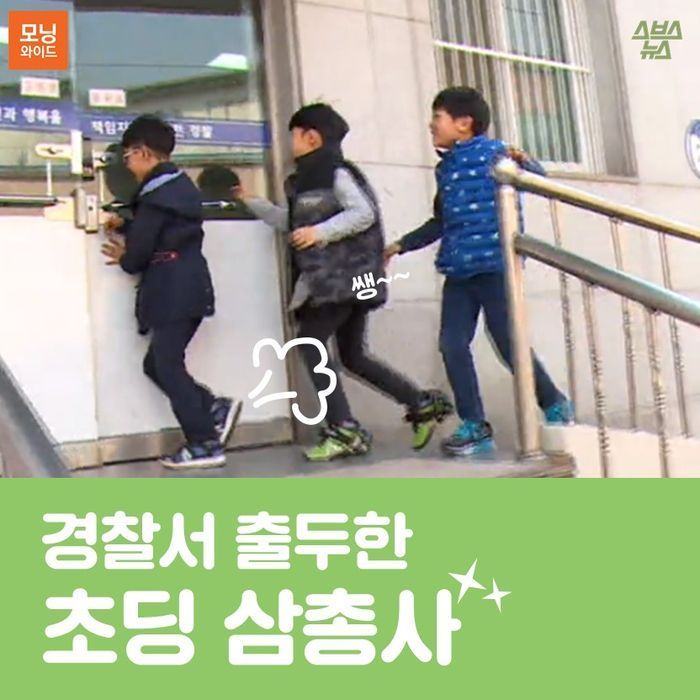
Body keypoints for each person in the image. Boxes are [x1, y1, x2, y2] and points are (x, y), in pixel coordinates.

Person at [237, 103, 452, 462]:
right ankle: (420, 403)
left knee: (310, 343)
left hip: (340, 280)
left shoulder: (335, 173)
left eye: (293, 136)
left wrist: (319, 233)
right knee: (352, 355)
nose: (289, 144)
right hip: (342, 281)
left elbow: (363, 213)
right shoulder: (307, 180)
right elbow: (292, 222)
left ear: (311, 137)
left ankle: (344, 429)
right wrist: (251, 203)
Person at [385, 87, 573, 457]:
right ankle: (475, 425)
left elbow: (540, 180)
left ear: (464, 123)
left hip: (495, 268)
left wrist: (524, 160)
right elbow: (441, 222)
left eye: (437, 117)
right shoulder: (445, 169)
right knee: (451, 344)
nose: (431, 125)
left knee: (508, 343)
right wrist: (400, 245)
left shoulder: (496, 154)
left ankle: (554, 402)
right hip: (459, 272)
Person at [101, 114, 241, 469]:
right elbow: (164, 229)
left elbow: (139, 254)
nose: (126, 164)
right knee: (157, 363)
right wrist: (129, 223)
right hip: (189, 285)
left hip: (172, 290)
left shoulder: (155, 196)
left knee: (165, 364)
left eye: (127, 155)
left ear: (143, 152)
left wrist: (125, 255)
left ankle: (204, 442)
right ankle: (211, 407)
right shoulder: (177, 189)